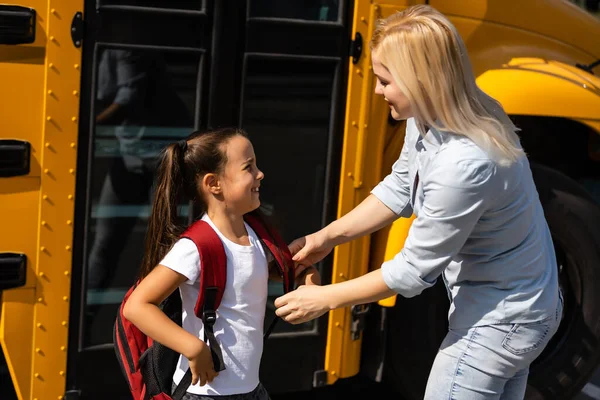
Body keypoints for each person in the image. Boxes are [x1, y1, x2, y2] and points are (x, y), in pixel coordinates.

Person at [274, 5, 562, 399]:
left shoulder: (463, 164)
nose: (377, 91)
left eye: (385, 81)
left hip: (501, 321)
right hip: (523, 308)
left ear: (420, 80)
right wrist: (326, 238)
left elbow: (411, 273)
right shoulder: (437, 113)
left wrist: (324, 299)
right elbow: (399, 187)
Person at [123, 128, 319, 399]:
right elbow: (137, 306)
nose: (260, 174)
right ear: (213, 184)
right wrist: (193, 348)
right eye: (248, 167)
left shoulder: (253, 234)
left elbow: (287, 273)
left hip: (251, 389)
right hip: (205, 394)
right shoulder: (196, 246)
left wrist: (309, 282)